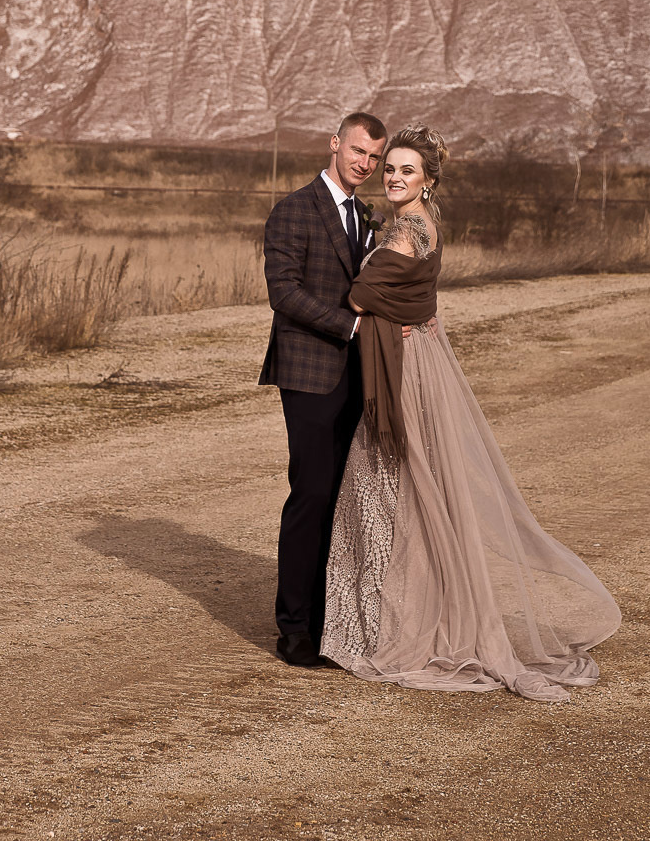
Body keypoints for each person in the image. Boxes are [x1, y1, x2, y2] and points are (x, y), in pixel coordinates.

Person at [320, 124, 621, 702]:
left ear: (429, 180)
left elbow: (360, 295)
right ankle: (418, 612)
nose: (394, 177)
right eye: (390, 168)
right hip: (418, 352)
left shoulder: (407, 228)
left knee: (397, 490)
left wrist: (377, 295)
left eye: (407, 170)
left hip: (406, 366)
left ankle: (399, 626)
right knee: (419, 488)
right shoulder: (422, 224)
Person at [260, 112, 388, 667]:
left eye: (374, 158)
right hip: (310, 373)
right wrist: (352, 326)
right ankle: (295, 631)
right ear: (335, 144)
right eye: (357, 151)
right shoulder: (293, 209)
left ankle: (331, 625)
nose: (364, 163)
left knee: (342, 501)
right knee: (311, 495)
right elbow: (283, 293)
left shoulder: (368, 215)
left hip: (360, 375)